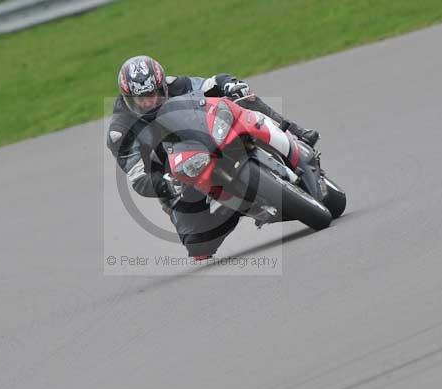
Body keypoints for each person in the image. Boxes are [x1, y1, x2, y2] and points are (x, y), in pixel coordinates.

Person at [106, 55, 320, 259]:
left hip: (205, 136)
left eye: (153, 94)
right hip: (174, 174)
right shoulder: (120, 133)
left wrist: (229, 84)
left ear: (162, 86)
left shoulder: (174, 85)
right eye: (141, 99)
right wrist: (165, 185)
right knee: (198, 244)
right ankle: (240, 206)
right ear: (128, 98)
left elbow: (210, 84)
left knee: (242, 95)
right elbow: (138, 178)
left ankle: (295, 131)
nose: (149, 103)